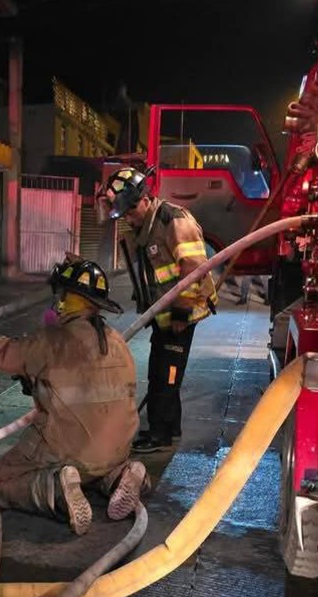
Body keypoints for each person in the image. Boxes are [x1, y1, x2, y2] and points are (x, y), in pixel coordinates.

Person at [0, 258, 148, 534]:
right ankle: (121, 475)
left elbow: (9, 354)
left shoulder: (53, 340)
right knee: (94, 465)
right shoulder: (116, 340)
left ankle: (56, 490)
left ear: (67, 299)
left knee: (2, 479)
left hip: (67, 447)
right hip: (117, 447)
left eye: (60, 295)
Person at [100, 167, 217, 453]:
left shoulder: (173, 220)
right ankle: (169, 429)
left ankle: (160, 435)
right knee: (160, 371)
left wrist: (180, 314)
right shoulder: (144, 227)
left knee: (166, 375)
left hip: (181, 314)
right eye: (124, 214)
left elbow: (193, 270)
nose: (128, 218)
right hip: (163, 314)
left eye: (130, 211)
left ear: (144, 199)